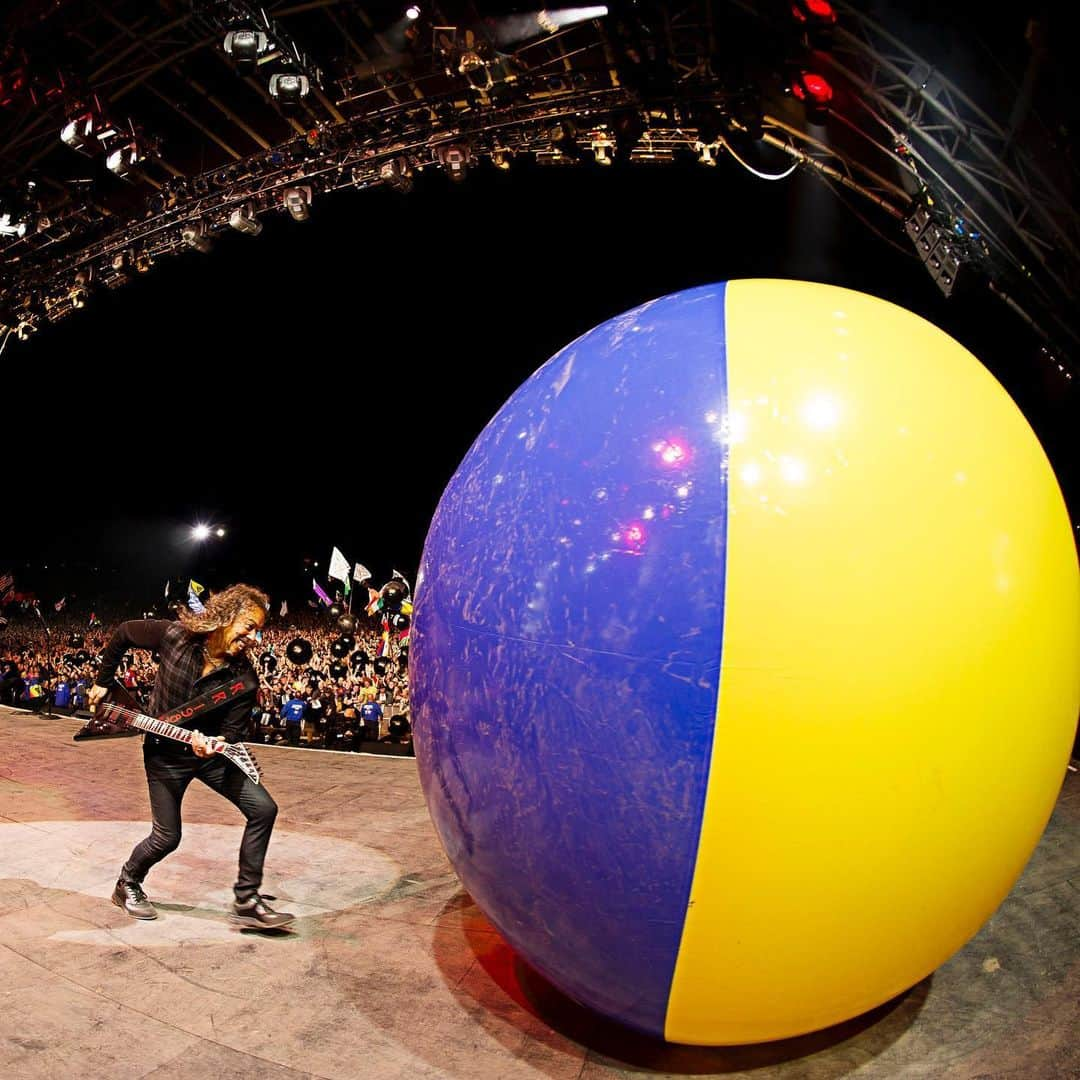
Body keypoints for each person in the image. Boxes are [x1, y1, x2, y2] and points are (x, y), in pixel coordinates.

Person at [89, 584, 293, 929]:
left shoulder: (243, 679)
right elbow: (124, 632)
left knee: (263, 809)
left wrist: (214, 742)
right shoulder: (175, 636)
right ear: (226, 617)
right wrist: (103, 681)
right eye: (249, 625)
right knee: (167, 837)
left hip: (208, 757)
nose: (255, 637)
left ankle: (246, 899)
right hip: (164, 755)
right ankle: (127, 883)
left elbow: (234, 735)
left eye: (259, 630)